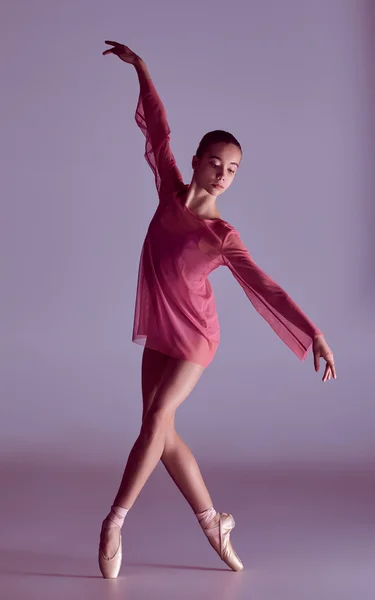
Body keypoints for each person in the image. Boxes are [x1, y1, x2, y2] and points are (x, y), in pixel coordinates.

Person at [98, 40, 337, 579]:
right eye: (215, 162)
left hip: (198, 336)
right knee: (159, 433)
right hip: (161, 328)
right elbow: (157, 131)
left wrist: (314, 332)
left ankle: (114, 521)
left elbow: (266, 287)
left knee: (156, 420)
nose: (224, 174)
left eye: (233, 169)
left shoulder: (221, 235)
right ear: (198, 161)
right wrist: (142, 70)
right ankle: (213, 523)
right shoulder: (167, 191)